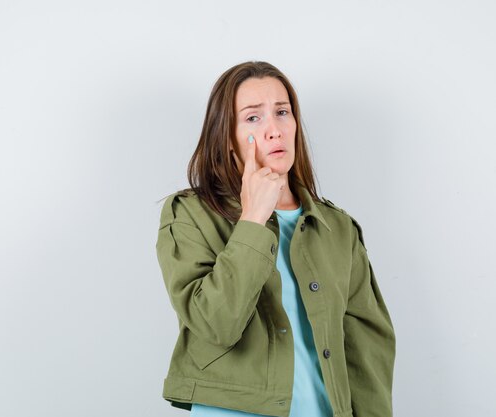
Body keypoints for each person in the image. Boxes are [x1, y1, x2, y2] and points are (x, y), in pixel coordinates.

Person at [155, 61, 395, 417]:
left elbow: (367, 349)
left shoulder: (336, 227)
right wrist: (252, 218)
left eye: (282, 112)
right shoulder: (190, 214)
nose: (274, 129)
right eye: (252, 118)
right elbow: (214, 325)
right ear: (227, 136)